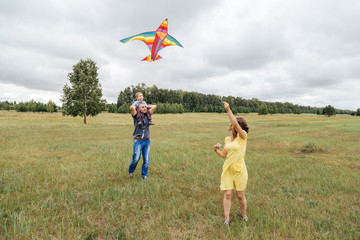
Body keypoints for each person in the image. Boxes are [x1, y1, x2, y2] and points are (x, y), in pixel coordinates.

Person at [213, 101, 250, 226]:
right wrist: (216, 150)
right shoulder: (227, 139)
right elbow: (224, 155)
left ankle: (244, 215)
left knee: (240, 195)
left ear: (236, 126)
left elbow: (234, 122)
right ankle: (227, 219)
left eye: (232, 123)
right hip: (228, 170)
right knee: (228, 194)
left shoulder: (243, 137)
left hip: (239, 171)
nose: (230, 125)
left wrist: (228, 109)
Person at [128, 103, 157, 180]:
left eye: (145, 107)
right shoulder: (136, 115)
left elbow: (154, 106)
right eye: (142, 107)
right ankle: (131, 171)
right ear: (138, 109)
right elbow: (131, 108)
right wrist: (135, 106)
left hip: (147, 141)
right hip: (138, 141)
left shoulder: (148, 114)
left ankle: (144, 175)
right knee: (136, 159)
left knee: (146, 160)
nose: (145, 108)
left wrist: (146, 106)